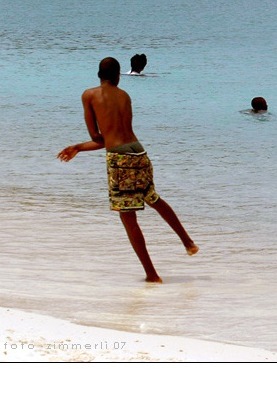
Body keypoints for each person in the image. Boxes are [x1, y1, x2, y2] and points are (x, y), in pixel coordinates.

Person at [57, 57, 197, 283]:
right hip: (138, 151)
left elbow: (99, 138)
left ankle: (152, 275)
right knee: (153, 198)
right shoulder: (124, 96)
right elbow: (120, 133)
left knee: (128, 217)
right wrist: (80, 148)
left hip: (120, 159)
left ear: (98, 75)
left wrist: (79, 147)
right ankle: (188, 242)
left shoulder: (89, 95)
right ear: (118, 76)